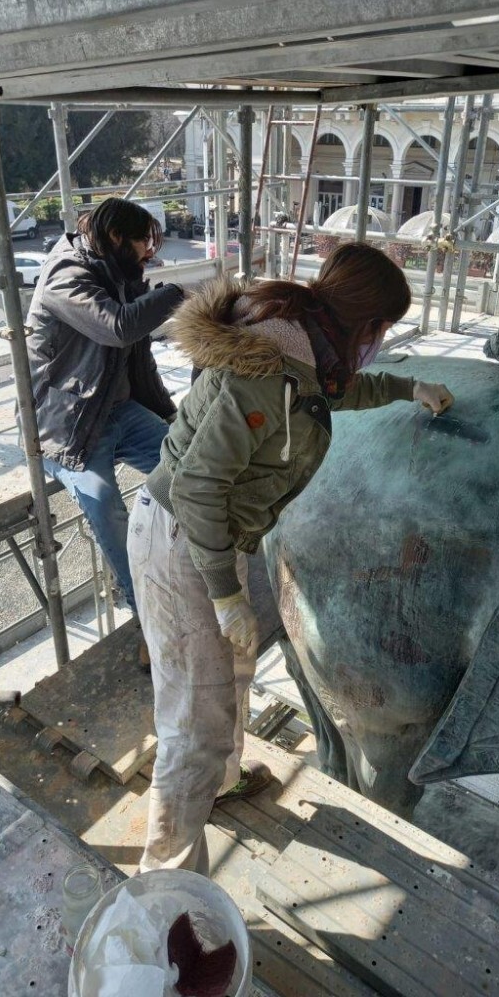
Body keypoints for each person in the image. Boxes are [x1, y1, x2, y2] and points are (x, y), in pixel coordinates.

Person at [128, 242, 454, 876]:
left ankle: (219, 786)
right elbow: (198, 489)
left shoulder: (303, 350)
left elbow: (327, 395)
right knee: (192, 721)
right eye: (382, 330)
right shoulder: (267, 367)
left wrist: (408, 386)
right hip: (183, 537)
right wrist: (224, 595)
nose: (379, 342)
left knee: (235, 671)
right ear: (367, 321)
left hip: (223, 536)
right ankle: (165, 890)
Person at [24, 197, 184, 632]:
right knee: (107, 508)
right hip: (69, 426)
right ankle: (144, 615)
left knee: (192, 467)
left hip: (119, 411)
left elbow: (138, 358)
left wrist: (169, 417)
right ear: (115, 238)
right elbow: (118, 329)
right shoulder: (65, 276)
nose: (148, 252)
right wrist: (174, 295)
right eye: (141, 242)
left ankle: (189, 577)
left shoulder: (119, 274)